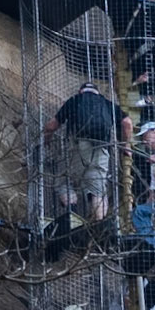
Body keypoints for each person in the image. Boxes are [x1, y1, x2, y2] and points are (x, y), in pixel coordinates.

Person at [42, 81, 132, 223]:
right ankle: (99, 227)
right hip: (101, 150)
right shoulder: (107, 104)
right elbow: (127, 123)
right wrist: (125, 145)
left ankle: (72, 218)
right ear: (97, 92)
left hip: (77, 147)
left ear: (80, 91)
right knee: (97, 189)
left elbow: (52, 126)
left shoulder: (74, 101)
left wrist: (46, 139)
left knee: (64, 181)